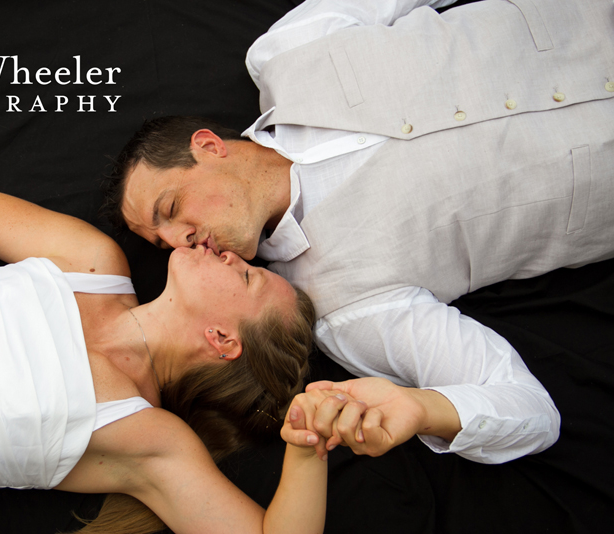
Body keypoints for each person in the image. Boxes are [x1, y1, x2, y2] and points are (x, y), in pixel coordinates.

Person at [105, 0, 614, 464]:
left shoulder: (289, 51)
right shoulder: (347, 310)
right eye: (160, 242)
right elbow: (529, 411)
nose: (178, 243)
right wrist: (420, 408)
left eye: (170, 208)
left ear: (209, 147)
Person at [0, 189, 336, 534]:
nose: (232, 254)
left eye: (247, 276)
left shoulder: (148, 439)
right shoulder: (94, 262)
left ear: (222, 338)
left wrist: (308, 444)